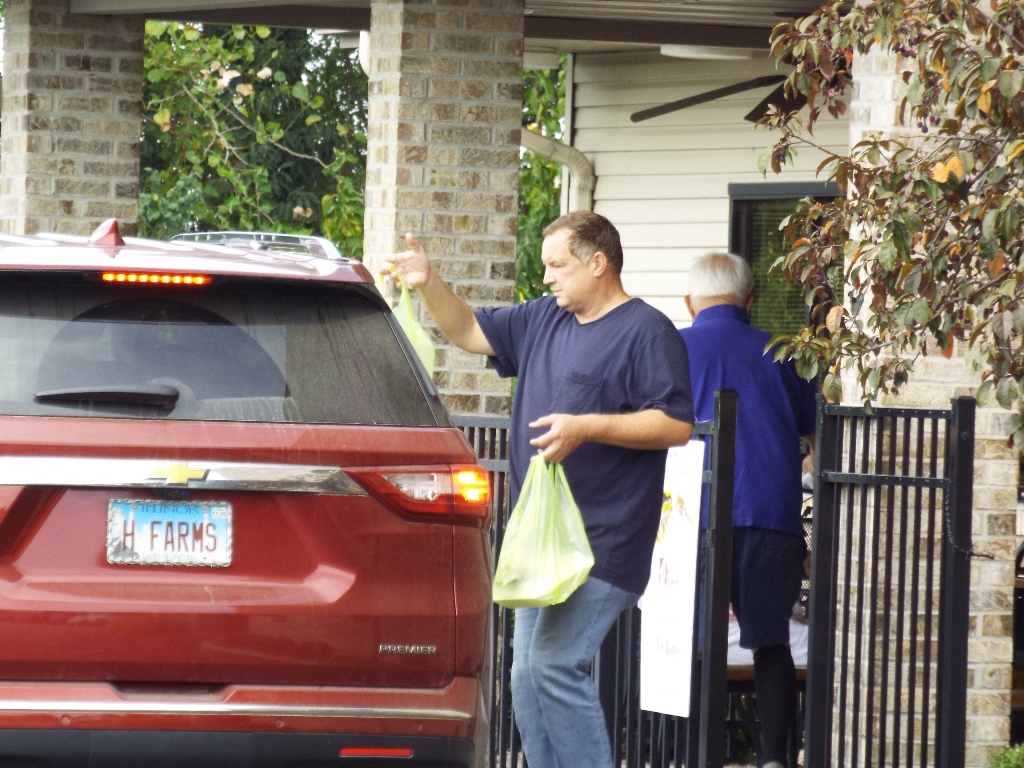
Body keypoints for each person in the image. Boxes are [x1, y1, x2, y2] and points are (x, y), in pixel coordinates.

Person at [384, 211, 695, 768]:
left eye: (558, 265)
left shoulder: (647, 331)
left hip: (605, 540)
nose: (547, 276)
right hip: (539, 538)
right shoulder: (542, 318)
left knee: (553, 665)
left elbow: (675, 424)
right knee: (526, 678)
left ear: (597, 263)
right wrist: (428, 282)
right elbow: (467, 331)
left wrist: (587, 426)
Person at [681, 252, 816, 768]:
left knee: (691, 642)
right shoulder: (784, 354)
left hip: (692, 517)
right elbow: (816, 442)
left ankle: (693, 755)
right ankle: (774, 759)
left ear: (689, 302)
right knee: (771, 642)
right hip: (771, 516)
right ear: (750, 300)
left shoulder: (672, 348)